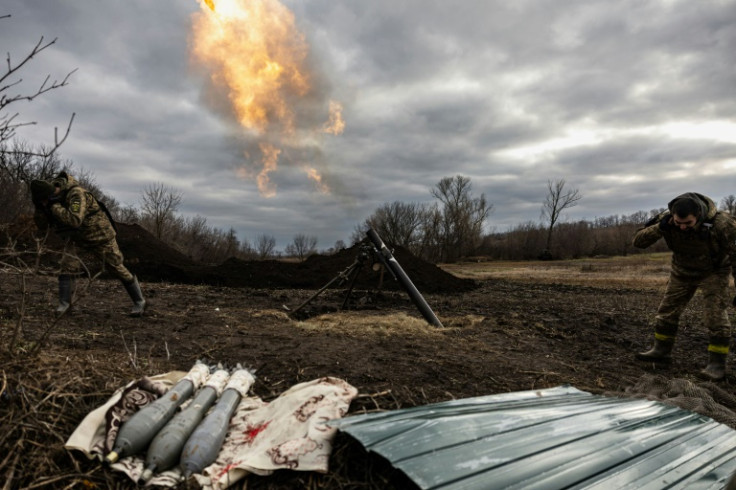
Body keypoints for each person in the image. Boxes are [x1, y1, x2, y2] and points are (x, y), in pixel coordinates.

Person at [633, 192, 736, 380]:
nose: (682, 227)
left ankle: (717, 365)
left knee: (715, 317)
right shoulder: (666, 219)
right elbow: (638, 241)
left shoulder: (722, 224)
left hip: (714, 271)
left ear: (699, 215)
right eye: (678, 223)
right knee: (667, 311)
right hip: (682, 271)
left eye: (688, 224)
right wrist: (660, 228)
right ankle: (661, 351)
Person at [30, 171, 146, 317]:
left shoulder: (76, 194)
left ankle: (139, 301)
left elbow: (74, 220)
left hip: (99, 236)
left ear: (50, 195)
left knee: (116, 267)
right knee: (67, 265)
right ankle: (64, 305)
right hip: (76, 238)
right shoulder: (50, 200)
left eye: (44, 201)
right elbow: (43, 227)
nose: (44, 204)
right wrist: (40, 210)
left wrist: (54, 207)